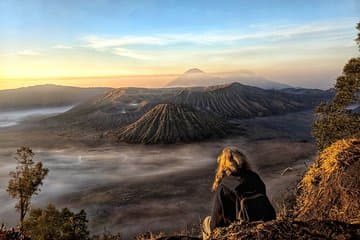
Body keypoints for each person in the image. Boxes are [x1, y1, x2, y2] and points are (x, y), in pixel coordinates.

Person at [202, 147, 276, 239]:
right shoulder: (255, 177)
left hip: (239, 229)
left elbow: (217, 220)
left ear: (223, 165)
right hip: (264, 224)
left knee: (207, 221)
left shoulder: (224, 186)